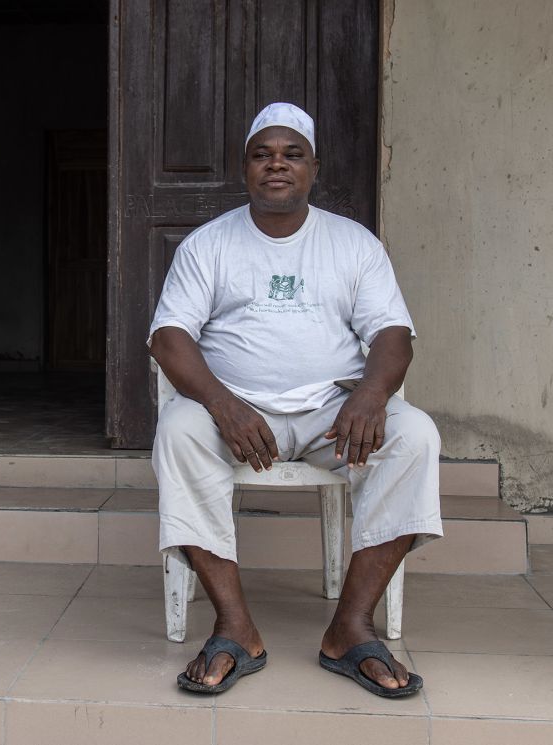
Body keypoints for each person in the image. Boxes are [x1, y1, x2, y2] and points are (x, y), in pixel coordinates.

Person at [148, 103, 443, 698]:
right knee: (178, 431)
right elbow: (168, 336)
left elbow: (392, 334)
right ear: (244, 169)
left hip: (332, 416)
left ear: (313, 169)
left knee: (416, 436)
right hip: (235, 414)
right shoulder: (208, 244)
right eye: (263, 154)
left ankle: (350, 629)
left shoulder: (352, 243)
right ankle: (235, 628)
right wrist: (222, 405)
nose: (276, 165)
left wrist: (370, 393)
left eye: (291, 154)